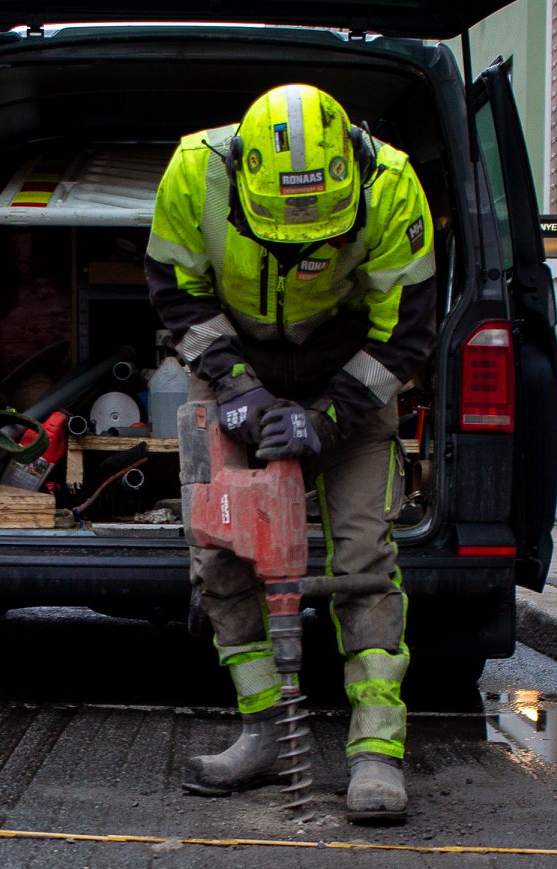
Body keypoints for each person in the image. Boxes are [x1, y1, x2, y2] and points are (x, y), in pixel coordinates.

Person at [145, 83, 436, 823]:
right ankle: (264, 727)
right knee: (220, 552)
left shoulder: (393, 188)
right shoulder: (193, 172)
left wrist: (329, 418)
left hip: (352, 376)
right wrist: (239, 391)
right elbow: (177, 294)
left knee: (364, 559)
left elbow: (404, 332)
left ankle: (375, 750)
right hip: (232, 364)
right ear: (243, 174)